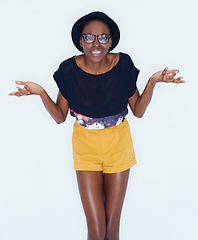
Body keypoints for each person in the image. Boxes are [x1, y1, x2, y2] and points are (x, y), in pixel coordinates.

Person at [9, 11, 185, 240]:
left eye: (103, 37)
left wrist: (152, 82)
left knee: (111, 229)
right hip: (86, 147)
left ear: (111, 41)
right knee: (96, 229)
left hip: (119, 144)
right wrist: (42, 93)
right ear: (80, 40)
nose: (96, 43)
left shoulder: (124, 65)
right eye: (89, 37)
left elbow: (138, 111)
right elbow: (60, 116)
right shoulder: (68, 70)